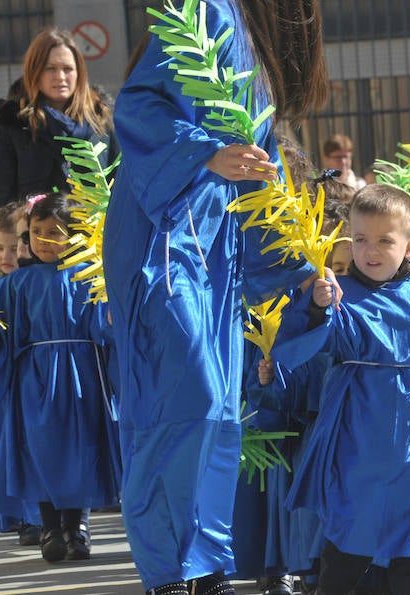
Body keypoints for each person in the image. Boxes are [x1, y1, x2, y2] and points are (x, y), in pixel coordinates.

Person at [104, 1, 329, 593]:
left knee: (221, 412)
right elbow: (139, 104)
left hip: (220, 246)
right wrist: (204, 153)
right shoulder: (204, 7)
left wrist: (298, 265)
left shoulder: (254, 39)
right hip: (166, 236)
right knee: (185, 395)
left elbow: (260, 166)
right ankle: (166, 570)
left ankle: (204, 565)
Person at [272, 184, 410, 595]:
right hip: (356, 431)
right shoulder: (338, 293)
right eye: (359, 239)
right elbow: (294, 351)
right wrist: (317, 309)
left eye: (383, 241)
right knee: (350, 527)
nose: (369, 251)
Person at [0, 193, 119, 563]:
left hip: (81, 377)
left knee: (79, 449)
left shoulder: (88, 275)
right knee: (40, 450)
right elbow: (2, 333)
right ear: (26, 235)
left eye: (55, 232)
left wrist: (111, 321)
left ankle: (77, 527)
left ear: (72, 234)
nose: (46, 240)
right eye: (37, 232)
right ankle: (49, 526)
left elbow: (102, 328)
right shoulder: (17, 284)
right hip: (34, 378)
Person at [0, 27, 117, 207]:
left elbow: (119, 185)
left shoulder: (100, 121)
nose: (60, 77)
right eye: (50, 68)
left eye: (68, 69)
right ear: (34, 72)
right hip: (34, 233)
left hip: (94, 232)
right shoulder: (12, 123)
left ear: (79, 73)